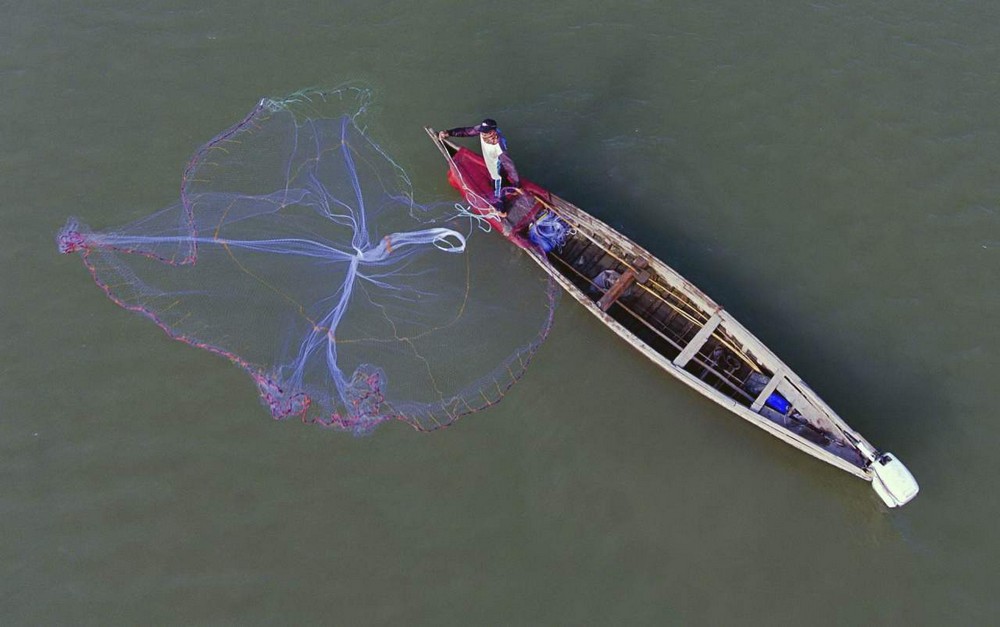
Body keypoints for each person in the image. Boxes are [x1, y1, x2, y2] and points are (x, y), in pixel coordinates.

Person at [438, 119, 520, 200]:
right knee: (500, 179)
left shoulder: (499, 146)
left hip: (497, 168)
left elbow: (509, 165)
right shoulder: (482, 131)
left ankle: (502, 211)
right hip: (491, 162)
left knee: (496, 191)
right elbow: (467, 132)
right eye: (482, 130)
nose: (483, 133)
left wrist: (517, 184)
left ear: (493, 132)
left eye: (486, 132)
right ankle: (510, 190)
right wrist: (449, 132)